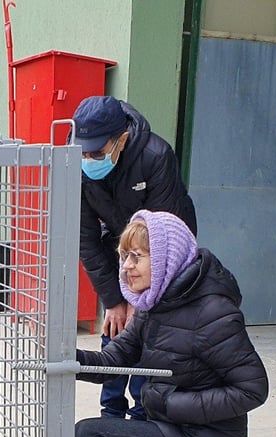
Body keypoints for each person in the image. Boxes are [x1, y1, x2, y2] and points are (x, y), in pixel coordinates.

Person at [74, 210, 268, 437]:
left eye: (136, 256)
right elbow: (117, 359)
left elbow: (253, 389)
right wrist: (70, 361)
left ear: (166, 257)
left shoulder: (213, 313)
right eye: (124, 257)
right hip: (170, 434)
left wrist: (172, 404)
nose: (126, 267)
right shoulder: (156, 303)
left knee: (88, 435)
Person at [72, 95, 197, 420]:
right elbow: (85, 239)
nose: (88, 158)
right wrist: (115, 300)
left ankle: (146, 415)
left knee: (151, 330)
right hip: (118, 247)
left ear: (122, 139)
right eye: (83, 151)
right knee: (115, 326)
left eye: (97, 152)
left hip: (164, 251)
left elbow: (161, 240)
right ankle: (111, 414)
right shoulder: (80, 163)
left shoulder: (156, 156)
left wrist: (139, 301)